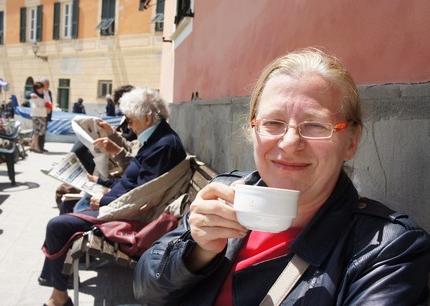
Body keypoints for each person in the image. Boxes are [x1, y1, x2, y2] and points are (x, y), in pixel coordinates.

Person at [133, 48, 430, 305]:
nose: (289, 143)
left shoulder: (389, 249)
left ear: (350, 142)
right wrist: (196, 252)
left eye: (315, 125)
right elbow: (145, 290)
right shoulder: (223, 193)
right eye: (273, 122)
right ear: (253, 131)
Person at [39, 87, 187, 306]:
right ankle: (60, 281)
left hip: (130, 216)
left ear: (147, 117)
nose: (128, 125)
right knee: (66, 210)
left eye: (129, 120)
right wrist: (99, 182)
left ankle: (58, 297)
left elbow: (145, 194)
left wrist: (106, 199)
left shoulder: (162, 145)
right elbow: (133, 181)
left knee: (57, 225)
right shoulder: (156, 138)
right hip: (120, 203)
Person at [29, 82, 48, 153]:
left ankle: (32, 146)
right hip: (36, 115)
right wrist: (45, 109)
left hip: (42, 115)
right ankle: (36, 147)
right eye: (41, 89)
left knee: (38, 132)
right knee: (36, 132)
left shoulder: (42, 94)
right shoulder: (33, 95)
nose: (42, 90)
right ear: (37, 88)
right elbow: (34, 107)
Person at [39, 77, 53, 152]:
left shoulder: (49, 92)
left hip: (47, 113)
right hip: (41, 113)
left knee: (44, 130)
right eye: (47, 84)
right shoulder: (40, 92)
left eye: (48, 84)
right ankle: (39, 146)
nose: (48, 85)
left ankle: (42, 146)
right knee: (40, 130)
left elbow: (50, 101)